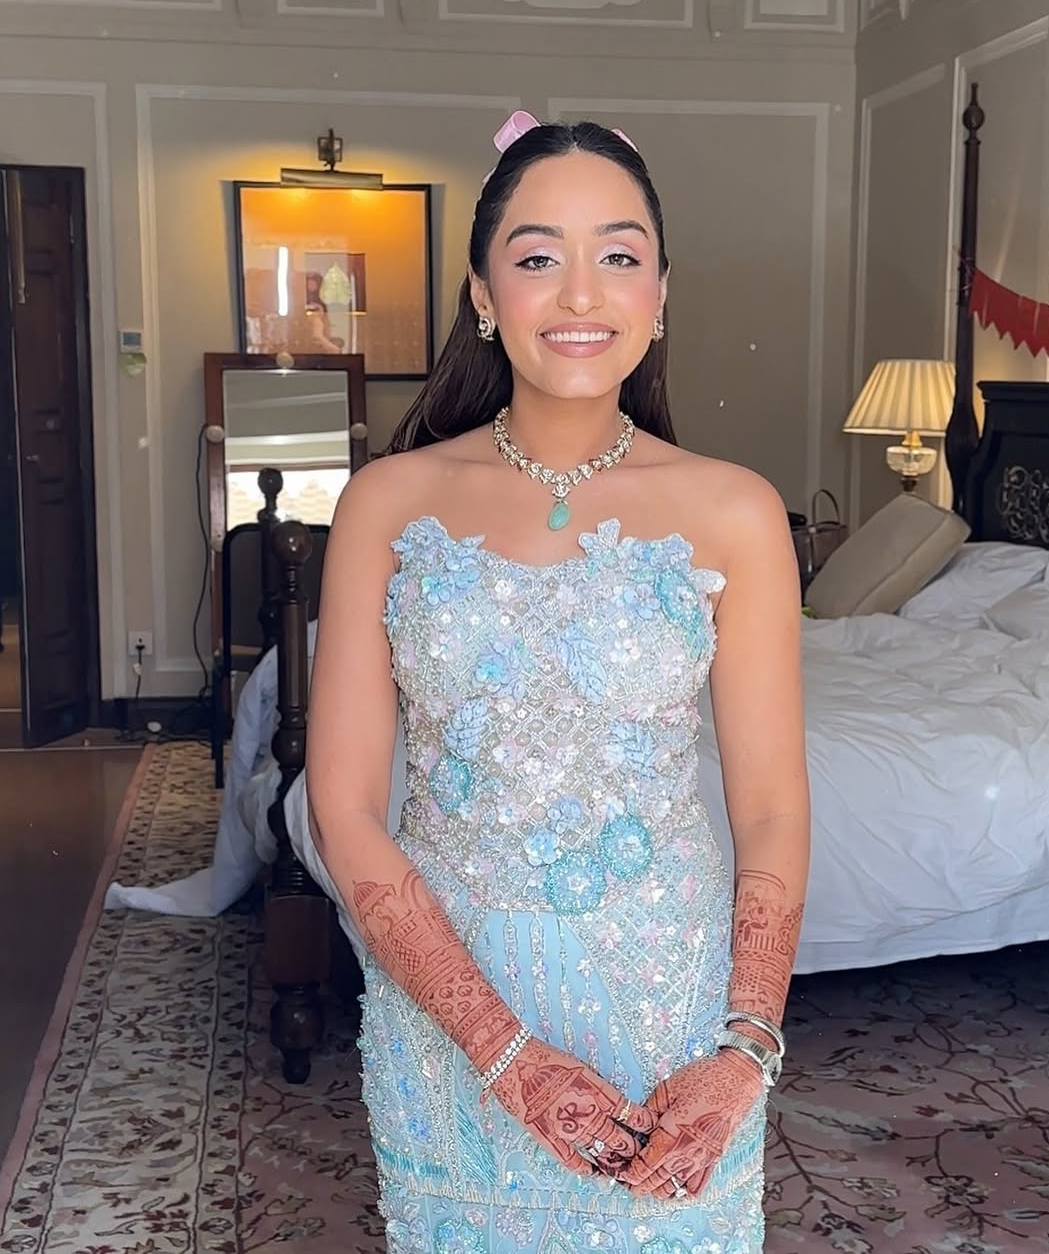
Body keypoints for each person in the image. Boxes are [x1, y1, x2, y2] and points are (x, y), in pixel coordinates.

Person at [306, 113, 810, 1253]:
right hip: (450, 1013)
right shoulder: (387, 501)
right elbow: (343, 807)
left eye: (619, 255)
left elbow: (774, 808)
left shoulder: (736, 509)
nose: (582, 294)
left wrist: (745, 1051)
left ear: (661, 294)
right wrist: (503, 1053)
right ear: (483, 293)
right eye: (538, 256)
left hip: (669, 1010)